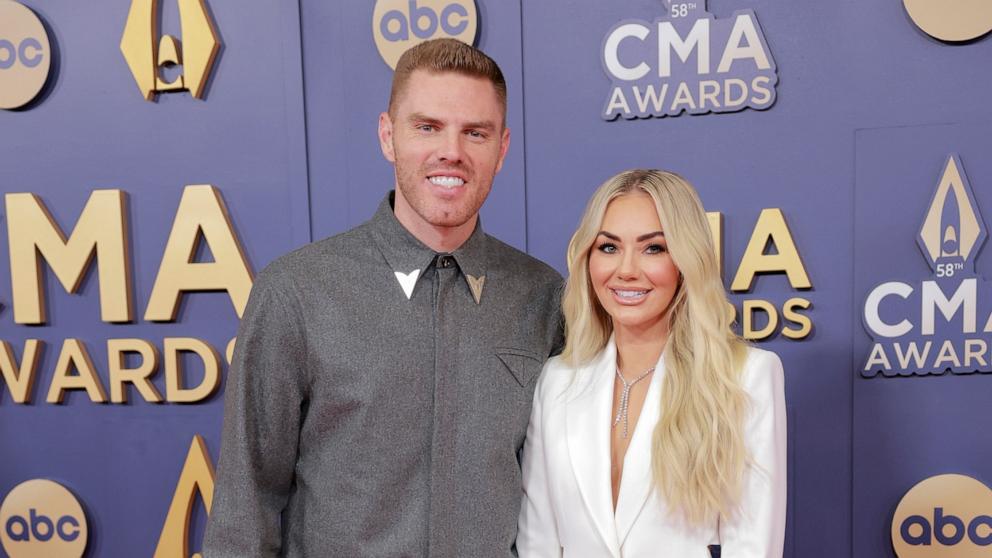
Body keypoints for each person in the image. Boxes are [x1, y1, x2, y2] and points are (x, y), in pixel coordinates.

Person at [203, 39, 563, 557]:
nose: (452, 152)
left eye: (475, 133)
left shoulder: (545, 298)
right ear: (387, 136)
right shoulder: (296, 292)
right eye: (427, 126)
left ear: (501, 149)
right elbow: (246, 506)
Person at [517, 170, 786, 557]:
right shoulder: (558, 381)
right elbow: (537, 543)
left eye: (653, 248)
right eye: (608, 247)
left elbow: (753, 546)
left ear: (685, 260)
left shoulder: (745, 376)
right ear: (587, 258)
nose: (626, 269)